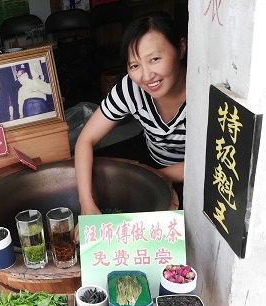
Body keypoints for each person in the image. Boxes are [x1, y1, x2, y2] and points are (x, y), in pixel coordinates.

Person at [74, 12, 187, 223]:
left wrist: (157, 177)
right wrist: (86, 202)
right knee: (90, 173)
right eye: (135, 65)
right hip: (149, 155)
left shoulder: (202, 96)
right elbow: (85, 139)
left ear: (180, 48)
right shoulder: (130, 88)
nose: (146, 76)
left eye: (155, 59)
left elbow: (210, 163)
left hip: (190, 172)